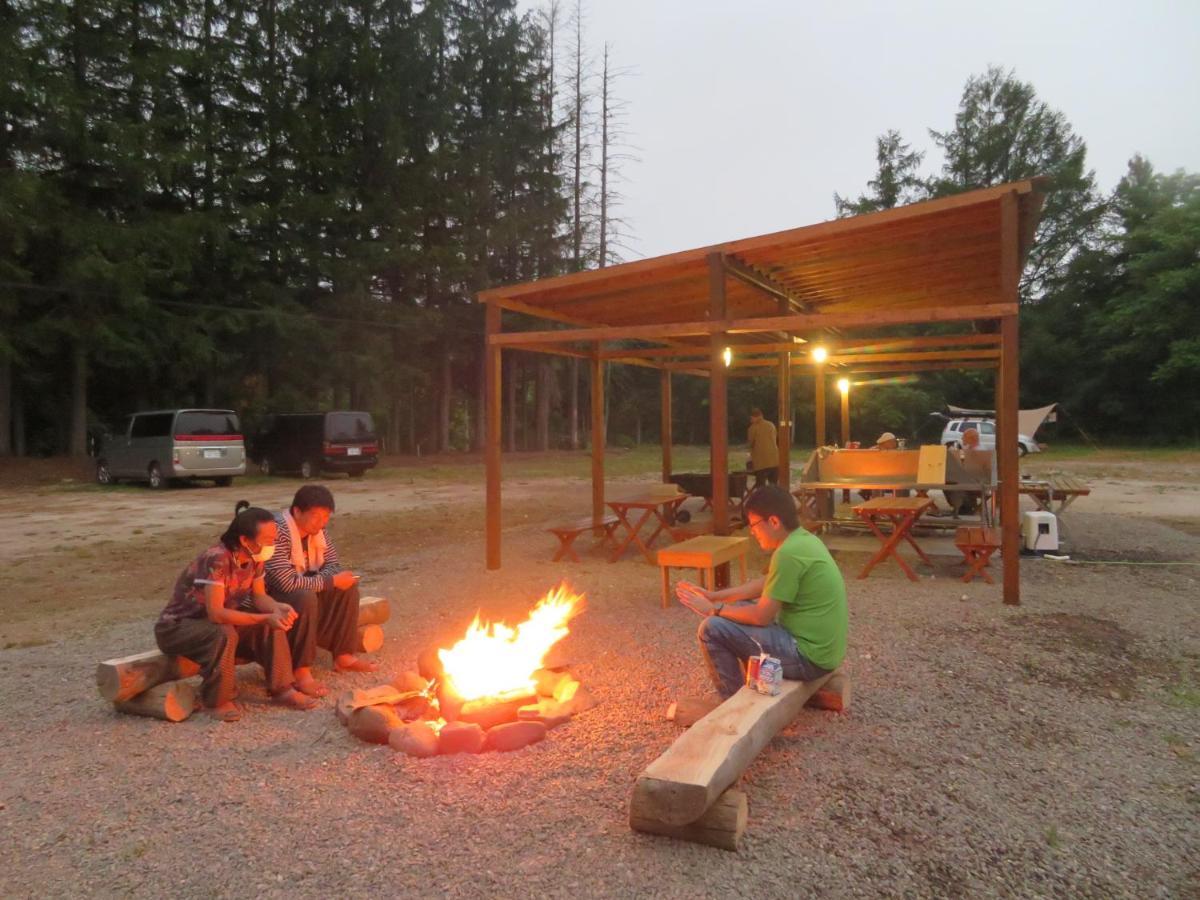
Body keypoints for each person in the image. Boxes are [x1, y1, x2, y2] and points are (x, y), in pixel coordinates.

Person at [675, 485, 848, 700]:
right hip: (822, 652)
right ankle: (755, 682)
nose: (752, 531)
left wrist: (714, 610)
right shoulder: (803, 540)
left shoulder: (788, 553)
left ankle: (732, 702)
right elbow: (767, 583)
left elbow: (761, 617)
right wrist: (714, 596)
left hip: (808, 658)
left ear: (774, 522)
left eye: (754, 525)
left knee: (712, 629)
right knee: (737, 608)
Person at [154, 501, 318, 722]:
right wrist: (265, 617)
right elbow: (216, 614)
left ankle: (282, 688)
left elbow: (259, 597)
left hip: (216, 624)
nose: (274, 543)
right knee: (224, 633)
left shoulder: (255, 558)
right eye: (268, 539)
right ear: (244, 540)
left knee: (272, 624)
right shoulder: (217, 559)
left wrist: (276, 609)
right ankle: (217, 700)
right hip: (179, 628)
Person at [258, 485, 377, 696]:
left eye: (326, 517)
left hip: (302, 586)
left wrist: (330, 580)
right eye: (316, 516)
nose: (322, 522)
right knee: (306, 595)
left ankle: (343, 655)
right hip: (272, 599)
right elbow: (285, 583)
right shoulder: (277, 531)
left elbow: (332, 564)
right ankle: (301, 669)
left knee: (346, 587)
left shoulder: (318, 533)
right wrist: (328, 581)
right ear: (296, 511)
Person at [945, 427, 982, 516]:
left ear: (971, 438)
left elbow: (972, 470)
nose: (962, 439)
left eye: (964, 437)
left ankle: (964, 507)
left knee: (949, 482)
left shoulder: (978, 450)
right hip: (970, 479)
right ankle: (964, 506)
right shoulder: (970, 449)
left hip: (976, 482)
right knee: (947, 481)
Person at [747, 407, 779, 489]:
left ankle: (762, 501)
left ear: (755, 417)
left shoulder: (753, 428)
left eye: (751, 418)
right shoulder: (771, 425)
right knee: (774, 486)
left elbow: (751, 443)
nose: (750, 420)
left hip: (761, 462)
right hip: (774, 460)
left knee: (761, 487)